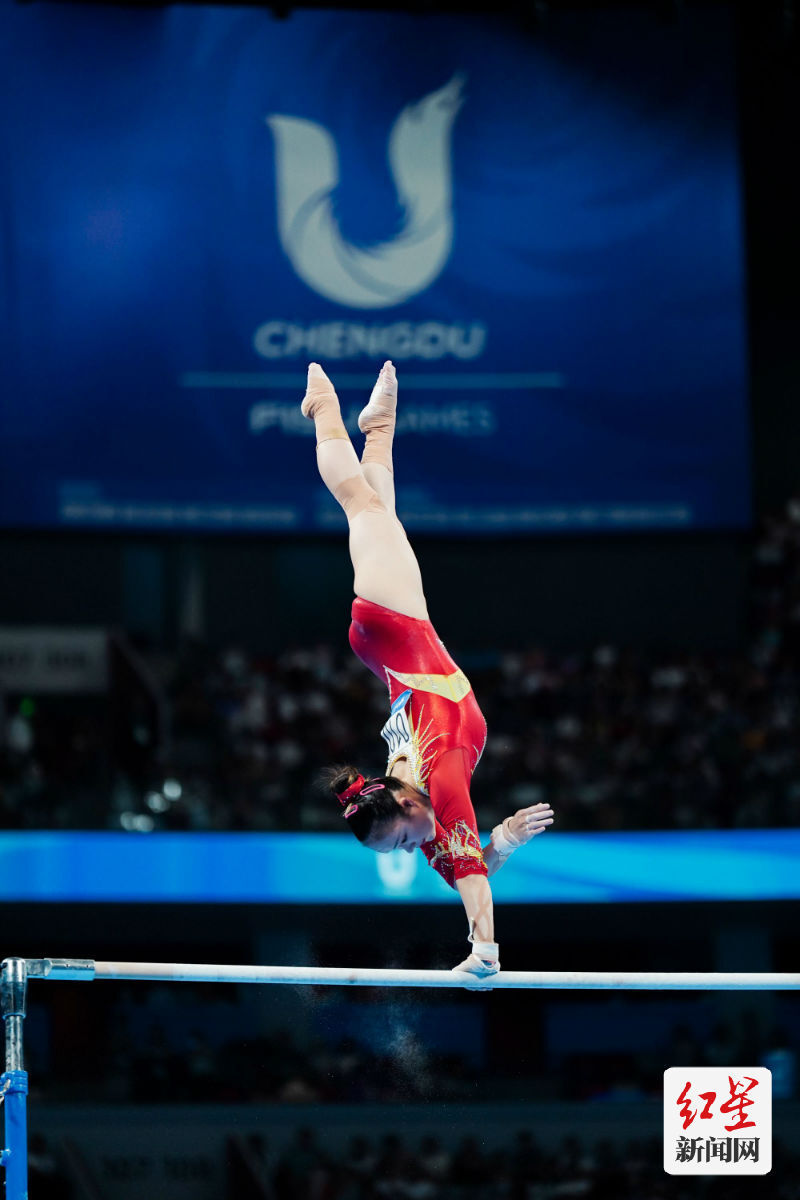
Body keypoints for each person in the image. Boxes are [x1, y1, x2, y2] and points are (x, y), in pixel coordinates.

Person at [301, 361, 555, 978]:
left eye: (404, 839)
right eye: (404, 849)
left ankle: (323, 413)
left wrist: (484, 952)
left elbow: (470, 883)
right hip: (392, 647)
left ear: (403, 802)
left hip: (393, 628)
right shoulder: (421, 816)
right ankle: (378, 429)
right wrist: (508, 840)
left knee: (361, 507)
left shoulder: (439, 783)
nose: (412, 849)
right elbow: (472, 865)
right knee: (381, 514)